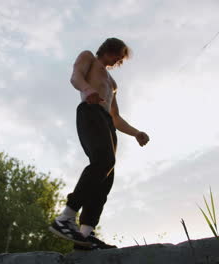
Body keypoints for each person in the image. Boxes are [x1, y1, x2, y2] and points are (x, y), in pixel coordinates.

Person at [49, 38, 150, 250]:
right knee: (103, 160)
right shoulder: (88, 58)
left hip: (107, 123)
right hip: (89, 111)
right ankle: (65, 218)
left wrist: (136, 133)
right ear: (109, 49)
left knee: (106, 175)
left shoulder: (112, 84)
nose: (118, 60)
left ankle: (85, 234)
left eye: (121, 59)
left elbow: (116, 117)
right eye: (118, 55)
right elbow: (75, 76)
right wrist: (87, 90)